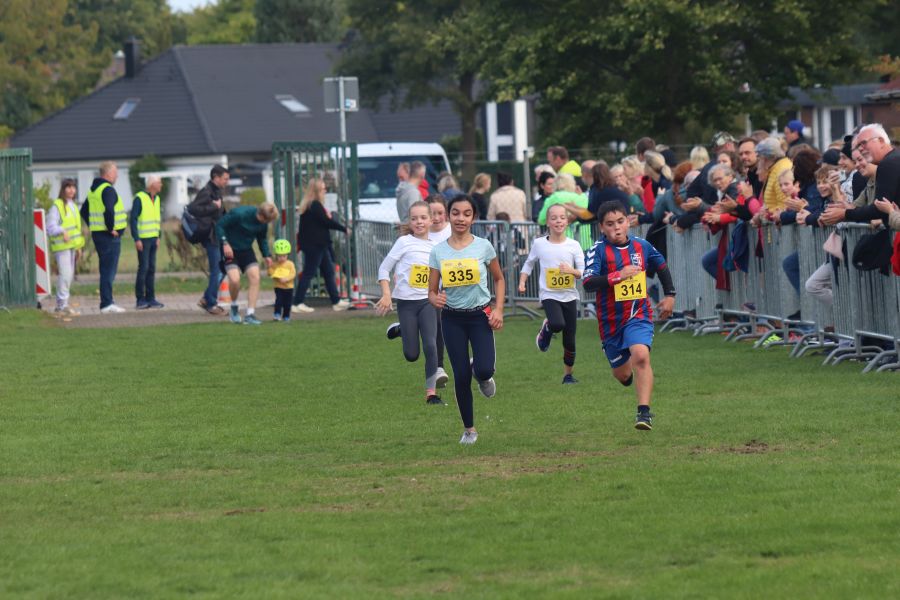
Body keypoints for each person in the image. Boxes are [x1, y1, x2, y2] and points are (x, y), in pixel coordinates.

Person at [582, 201, 676, 430]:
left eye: (620, 221)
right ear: (602, 227)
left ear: (628, 222)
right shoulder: (597, 250)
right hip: (610, 322)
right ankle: (627, 376)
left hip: (638, 313)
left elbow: (661, 266)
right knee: (623, 375)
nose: (616, 227)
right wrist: (618, 275)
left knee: (641, 356)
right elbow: (588, 282)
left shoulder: (642, 246)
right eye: (610, 224)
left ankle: (644, 413)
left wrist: (670, 295)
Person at [428, 195, 505, 445]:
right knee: (460, 376)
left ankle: (480, 373)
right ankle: (469, 430)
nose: (460, 218)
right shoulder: (438, 251)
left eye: (466, 213)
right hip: (452, 319)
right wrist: (435, 299)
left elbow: (499, 279)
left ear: (474, 218)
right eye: (456, 213)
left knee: (484, 370)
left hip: (480, 316)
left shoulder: (483, 246)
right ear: (448, 215)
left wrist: (498, 310)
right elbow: (431, 291)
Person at [377, 201, 447, 405]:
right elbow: (384, 268)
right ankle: (401, 329)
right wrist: (386, 294)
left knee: (431, 346)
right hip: (406, 304)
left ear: (431, 220)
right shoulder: (404, 242)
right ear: (409, 221)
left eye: (423, 218)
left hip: (427, 303)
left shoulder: (437, 247)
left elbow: (443, 276)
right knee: (411, 354)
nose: (419, 222)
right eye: (414, 218)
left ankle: (431, 394)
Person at [518, 204, 585, 384]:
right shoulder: (539, 244)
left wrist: (571, 270)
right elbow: (529, 263)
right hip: (549, 294)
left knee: (569, 340)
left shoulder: (574, 245)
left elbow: (582, 271)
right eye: (554, 218)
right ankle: (547, 327)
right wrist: (522, 281)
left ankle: (568, 375)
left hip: (569, 295)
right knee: (557, 323)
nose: (558, 221)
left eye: (562, 217)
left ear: (567, 221)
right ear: (547, 222)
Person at [293, 178, 352, 313]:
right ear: (317, 191)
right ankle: (297, 302)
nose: (325, 191)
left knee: (329, 272)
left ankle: (336, 301)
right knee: (309, 272)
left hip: (319, 244)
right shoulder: (314, 205)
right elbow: (326, 222)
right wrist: (343, 228)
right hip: (315, 245)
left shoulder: (311, 206)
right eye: (323, 189)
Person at [216, 201, 279, 325]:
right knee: (235, 280)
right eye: (267, 221)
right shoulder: (239, 214)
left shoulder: (263, 224)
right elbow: (219, 226)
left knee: (255, 277)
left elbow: (262, 239)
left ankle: (250, 314)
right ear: (262, 216)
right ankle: (234, 306)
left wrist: (266, 255)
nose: (267, 223)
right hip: (230, 249)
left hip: (246, 250)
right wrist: (225, 243)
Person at [81, 160, 127, 313]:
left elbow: (83, 211)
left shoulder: (94, 190)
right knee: (108, 270)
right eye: (115, 173)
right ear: (108, 173)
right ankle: (107, 303)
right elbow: (109, 210)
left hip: (98, 235)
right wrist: (110, 228)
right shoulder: (108, 190)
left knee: (105, 269)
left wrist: (94, 226)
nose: (117, 176)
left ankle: (107, 302)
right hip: (109, 237)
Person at [191, 164, 229, 316]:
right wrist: (214, 207)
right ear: (216, 178)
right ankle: (211, 304)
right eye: (225, 179)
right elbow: (193, 208)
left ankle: (206, 299)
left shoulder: (216, 191)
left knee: (224, 268)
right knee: (216, 270)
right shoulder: (206, 192)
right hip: (211, 237)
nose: (227, 181)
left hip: (218, 236)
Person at [46, 178, 84, 316]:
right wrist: (62, 231)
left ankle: (63, 304)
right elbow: (50, 227)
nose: (71, 190)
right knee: (65, 275)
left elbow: (76, 229)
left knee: (69, 276)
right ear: (63, 189)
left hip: (72, 247)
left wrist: (78, 247)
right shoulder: (57, 206)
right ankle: (61, 306)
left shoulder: (73, 206)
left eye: (73, 187)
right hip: (61, 247)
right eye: (68, 187)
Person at [130, 176, 164, 310]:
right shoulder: (139, 198)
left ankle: (151, 298)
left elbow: (157, 219)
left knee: (151, 269)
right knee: (143, 268)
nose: (161, 185)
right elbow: (133, 220)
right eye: (159, 182)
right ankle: (140, 299)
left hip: (153, 239)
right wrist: (136, 239)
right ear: (152, 184)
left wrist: (158, 236)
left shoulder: (157, 199)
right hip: (143, 240)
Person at [268, 238, 296, 322]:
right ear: (276, 256)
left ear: (287, 255)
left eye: (284, 256)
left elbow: (293, 273)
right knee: (279, 301)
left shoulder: (290, 264)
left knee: (287, 303)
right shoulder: (275, 264)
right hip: (278, 287)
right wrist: (274, 273)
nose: (282, 258)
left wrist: (286, 279)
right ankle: (277, 314)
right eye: (279, 256)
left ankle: (286, 316)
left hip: (289, 287)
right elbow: (270, 272)